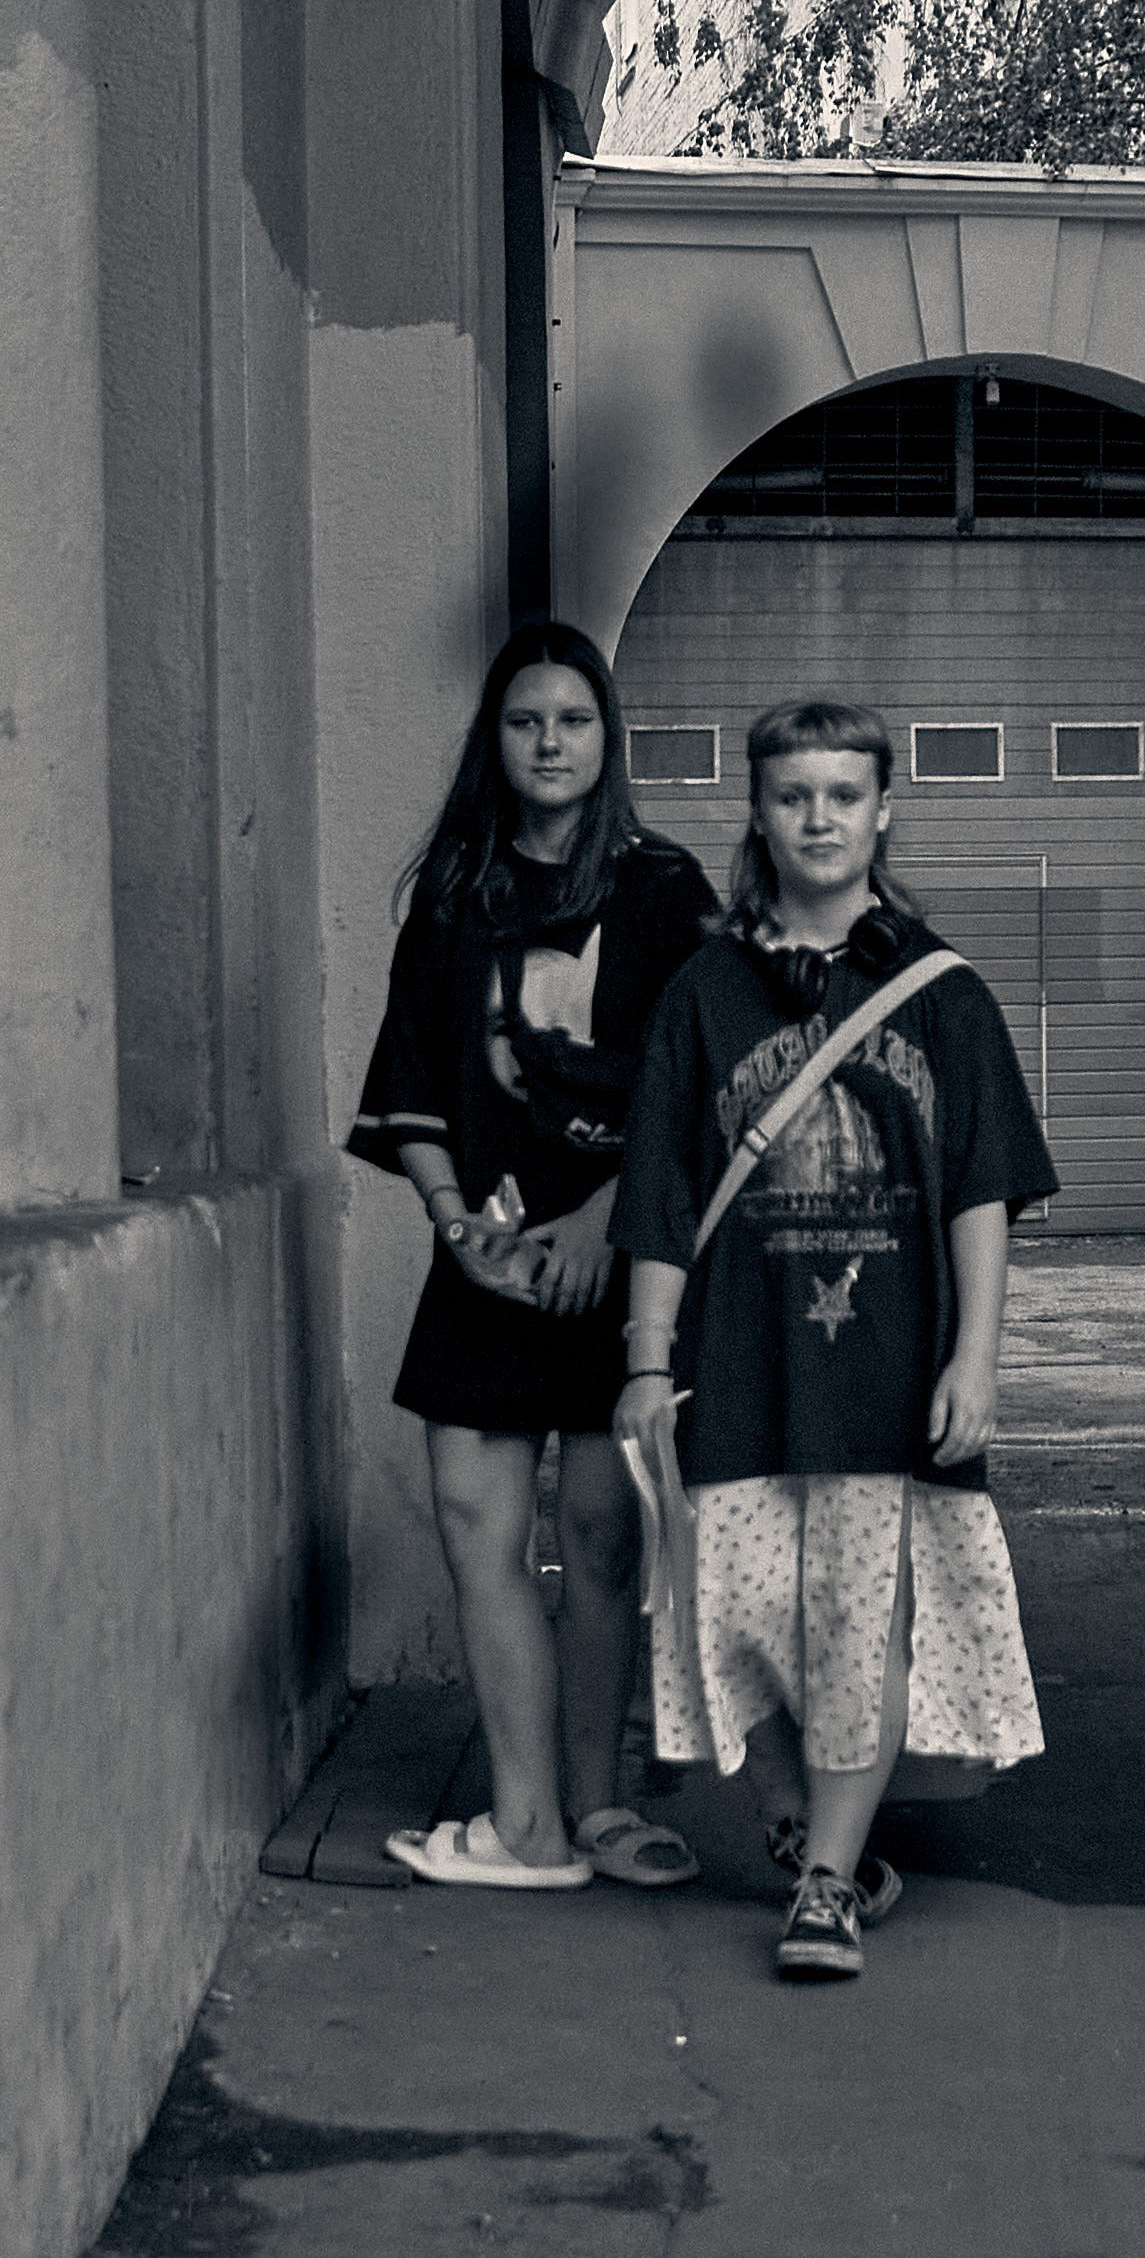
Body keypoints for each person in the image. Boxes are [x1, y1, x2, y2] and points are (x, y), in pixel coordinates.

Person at [612, 699, 1057, 1983]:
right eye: (793, 793)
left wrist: (977, 1353)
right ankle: (815, 1822)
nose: (818, 816)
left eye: (843, 794)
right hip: (739, 1363)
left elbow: (982, 1187)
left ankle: (822, 1887)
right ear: (757, 810)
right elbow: (656, 1188)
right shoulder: (705, 992)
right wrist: (647, 1361)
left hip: (884, 1367)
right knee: (747, 1620)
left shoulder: (941, 991)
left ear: (882, 812)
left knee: (857, 1626)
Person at [348, 622, 717, 1891]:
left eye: (571, 717)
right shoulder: (455, 892)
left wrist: (600, 1221)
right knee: (474, 1521)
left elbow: (704, 1089)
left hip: (623, 1270)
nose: (548, 739)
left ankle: (600, 1808)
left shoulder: (664, 890)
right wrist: (461, 1230)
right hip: (486, 1265)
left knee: (604, 1537)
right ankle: (527, 1825)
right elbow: (410, 1085)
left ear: (605, 736)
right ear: (494, 741)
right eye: (524, 719)